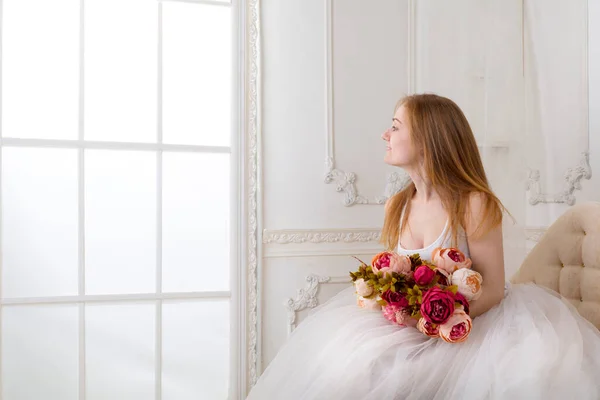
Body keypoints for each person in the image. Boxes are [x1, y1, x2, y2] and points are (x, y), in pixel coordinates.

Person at [246, 94, 600, 399]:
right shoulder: (397, 204)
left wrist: (437, 321)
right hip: (414, 321)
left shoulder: (473, 203)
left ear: (428, 139)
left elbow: (491, 289)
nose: (385, 134)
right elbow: (398, 276)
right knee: (347, 366)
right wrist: (397, 304)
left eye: (396, 126)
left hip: (473, 320)